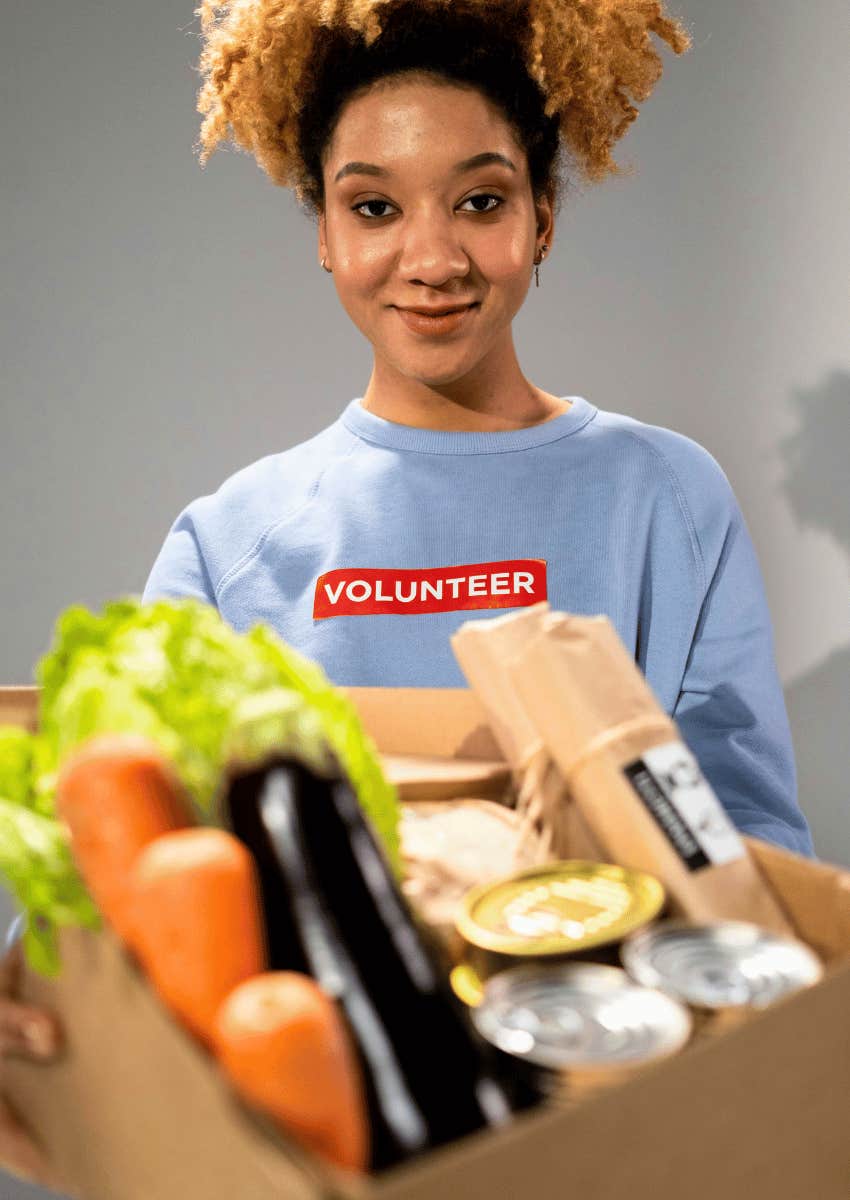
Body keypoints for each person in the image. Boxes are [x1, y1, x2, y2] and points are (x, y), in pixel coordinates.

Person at [0, 0, 814, 1187]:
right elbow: (128, 852)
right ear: (323, 234)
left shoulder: (663, 496)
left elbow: (739, 839)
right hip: (330, 1113)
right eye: (373, 206)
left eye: (480, 202)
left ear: (542, 219)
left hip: (616, 1099)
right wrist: (35, 997)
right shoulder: (234, 539)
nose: (429, 259)